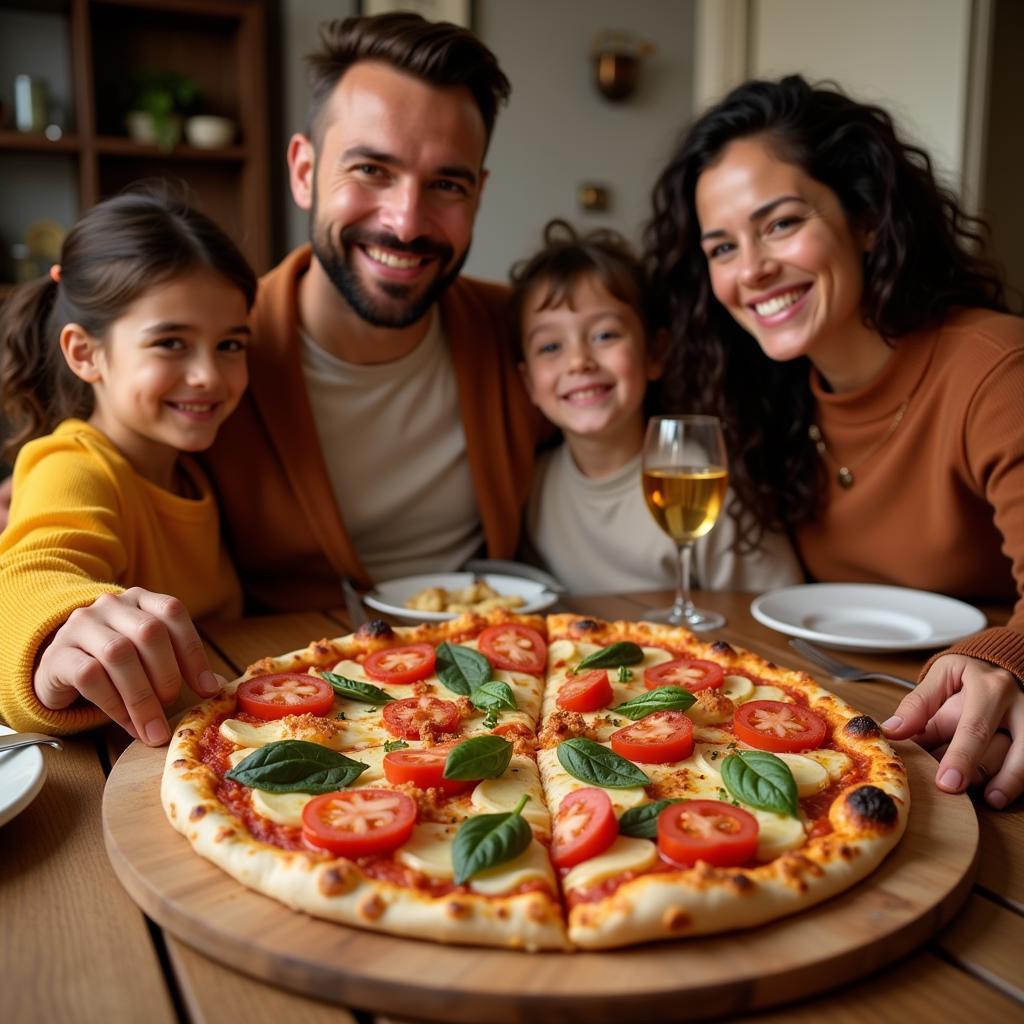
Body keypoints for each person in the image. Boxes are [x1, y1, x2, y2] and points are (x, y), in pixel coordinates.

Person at [645, 74, 1024, 808]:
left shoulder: (994, 368)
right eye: (722, 246)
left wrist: (1009, 657)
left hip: (979, 735)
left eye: (780, 223)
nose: (750, 269)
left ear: (868, 218)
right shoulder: (763, 398)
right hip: (834, 719)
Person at [198, 12, 544, 611]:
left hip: (498, 683)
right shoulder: (217, 350)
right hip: (292, 686)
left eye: (446, 185)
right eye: (371, 170)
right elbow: (81, 493)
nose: (405, 222)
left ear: (478, 195)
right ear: (305, 172)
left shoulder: (525, 334)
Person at [0, 191, 257, 743]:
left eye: (230, 344)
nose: (209, 376)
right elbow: (30, 575)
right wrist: (54, 641)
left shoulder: (194, 469)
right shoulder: (69, 461)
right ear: (85, 353)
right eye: (170, 343)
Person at [513, 219, 803, 595]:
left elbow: (773, 613)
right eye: (551, 347)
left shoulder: (707, 486)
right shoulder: (530, 485)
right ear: (529, 383)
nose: (578, 361)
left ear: (654, 353)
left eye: (605, 335)